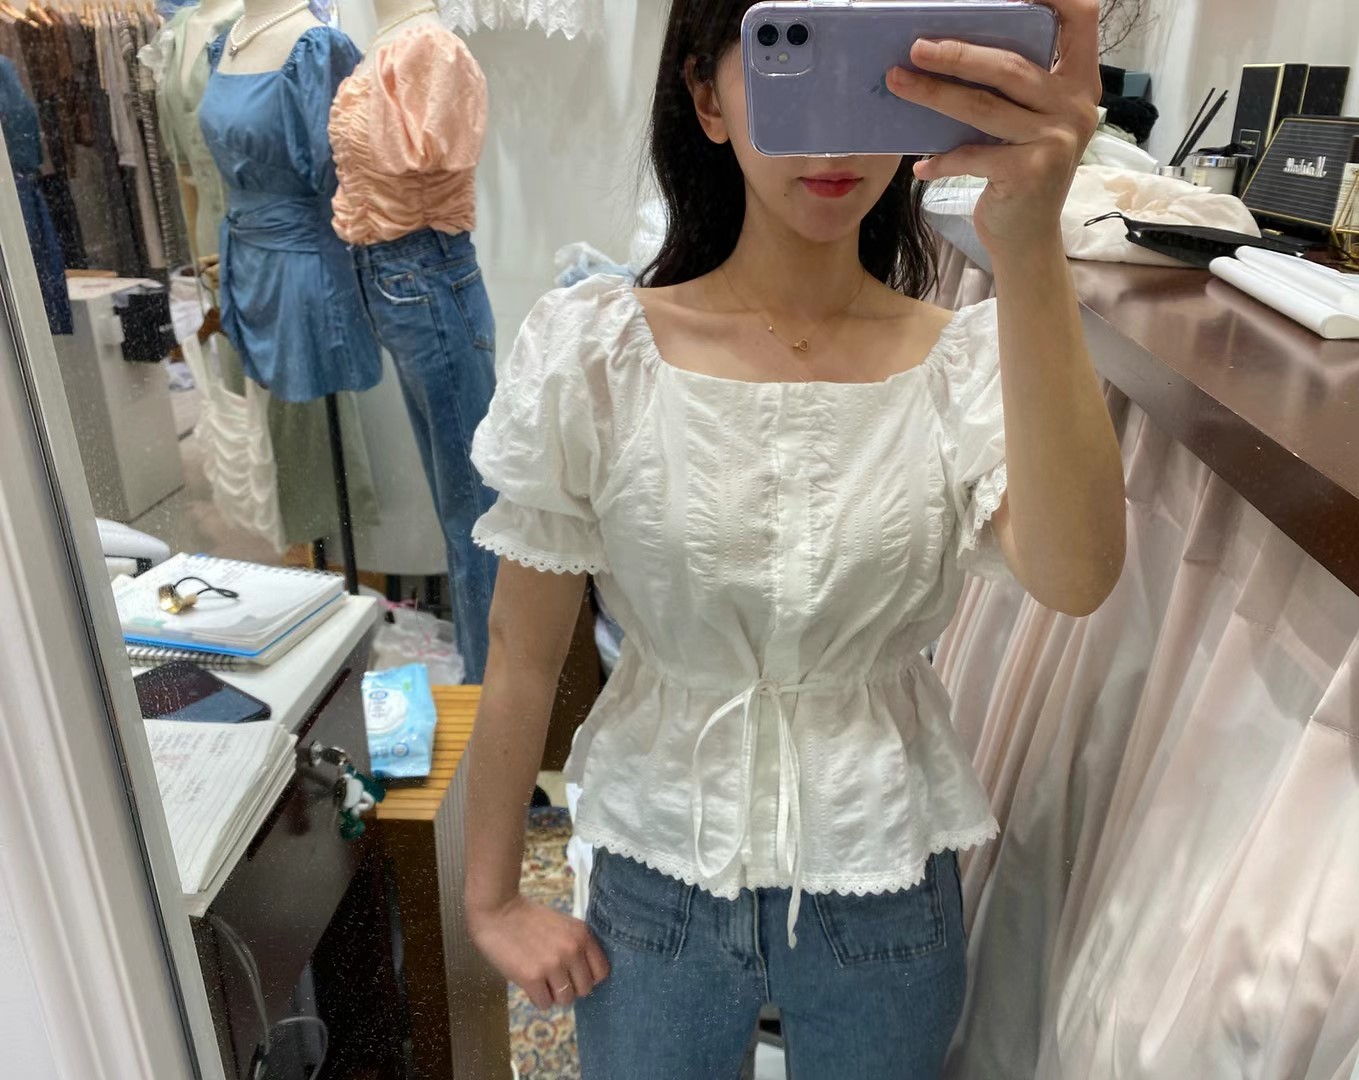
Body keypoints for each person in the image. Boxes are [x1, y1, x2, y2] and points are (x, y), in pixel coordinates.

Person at [465, 0, 1123, 1076]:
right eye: (792, 60)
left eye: (870, 69)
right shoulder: (596, 355)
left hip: (885, 870)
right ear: (707, 97)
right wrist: (492, 898)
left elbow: (1079, 576)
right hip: (658, 865)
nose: (833, 138)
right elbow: (521, 648)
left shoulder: (963, 363)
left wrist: (1032, 241)